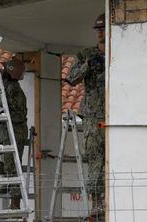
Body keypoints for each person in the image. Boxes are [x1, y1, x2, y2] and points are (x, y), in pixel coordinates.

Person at [64, 13, 106, 218]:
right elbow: (71, 79)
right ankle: (97, 202)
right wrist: (88, 64)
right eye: (98, 30)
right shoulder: (86, 54)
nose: (101, 33)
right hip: (93, 116)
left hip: (119, 116)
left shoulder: (121, 53)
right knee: (96, 159)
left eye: (104, 29)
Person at [0, 58, 28, 209]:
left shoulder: (14, 89)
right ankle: (6, 179)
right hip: (3, 131)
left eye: (5, 69)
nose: (2, 70)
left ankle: (15, 202)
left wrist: (3, 113)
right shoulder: (3, 82)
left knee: (12, 166)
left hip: (15, 133)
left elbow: (20, 115)